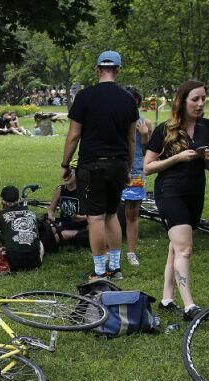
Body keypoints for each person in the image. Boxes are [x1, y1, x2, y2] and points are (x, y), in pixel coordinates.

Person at [62, 50, 139, 279]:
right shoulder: (128, 99)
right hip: (118, 164)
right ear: (118, 70)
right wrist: (128, 167)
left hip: (92, 165)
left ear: (97, 69)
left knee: (94, 217)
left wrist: (65, 164)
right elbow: (131, 139)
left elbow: (74, 135)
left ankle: (99, 271)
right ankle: (115, 268)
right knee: (112, 214)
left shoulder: (85, 96)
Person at [144, 79, 209, 321]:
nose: (200, 104)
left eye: (203, 99)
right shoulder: (164, 130)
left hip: (195, 192)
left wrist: (207, 158)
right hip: (169, 191)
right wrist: (177, 158)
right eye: (195, 99)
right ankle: (190, 307)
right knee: (184, 249)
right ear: (182, 101)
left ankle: (166, 299)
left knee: (176, 247)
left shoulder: (205, 126)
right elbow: (147, 167)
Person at [121, 87, 152, 268]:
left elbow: (152, 153)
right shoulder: (115, 121)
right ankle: (111, 252)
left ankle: (131, 252)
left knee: (132, 214)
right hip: (115, 169)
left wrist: (145, 135)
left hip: (135, 172)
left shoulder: (144, 122)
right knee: (110, 213)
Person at [0, 185, 43, 273]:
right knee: (39, 242)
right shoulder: (31, 213)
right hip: (35, 262)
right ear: (19, 199)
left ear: (1, 199)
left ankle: (6, 261)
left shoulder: (0, 215)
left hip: (13, 263)